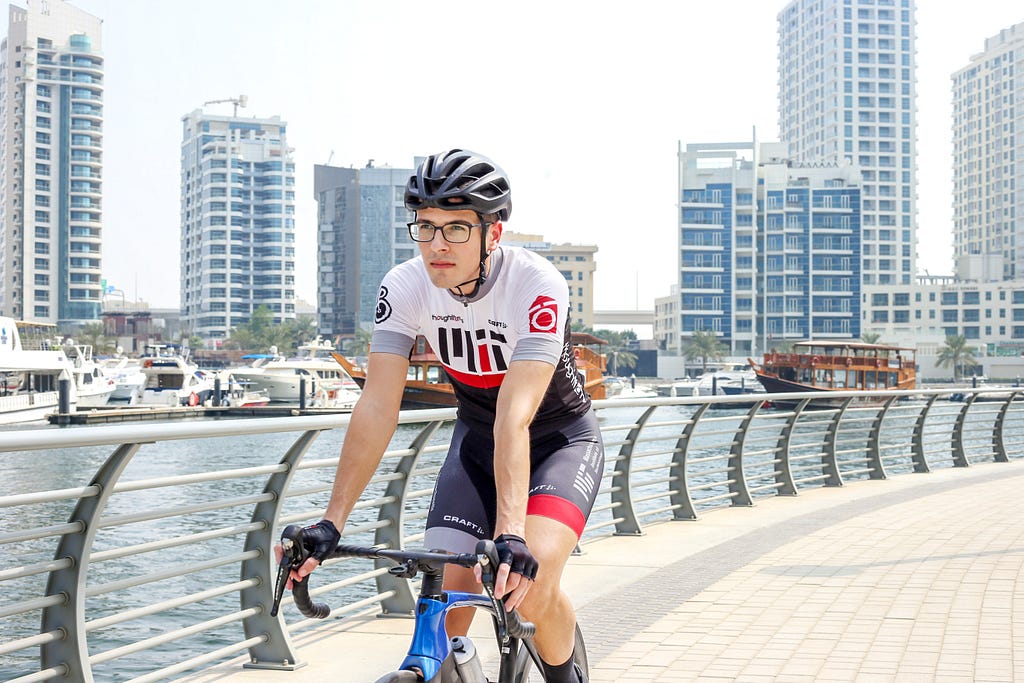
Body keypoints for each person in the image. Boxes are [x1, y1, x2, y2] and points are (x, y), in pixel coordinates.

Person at [288, 149, 603, 683]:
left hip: (557, 441)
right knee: (447, 592)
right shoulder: (405, 286)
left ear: (494, 234)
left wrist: (510, 532)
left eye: (457, 228)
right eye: (427, 227)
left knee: (529, 586)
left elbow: (514, 417)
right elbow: (377, 405)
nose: (437, 244)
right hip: (476, 442)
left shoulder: (537, 284)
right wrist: (330, 521)